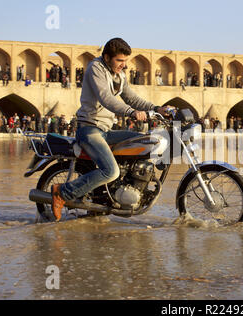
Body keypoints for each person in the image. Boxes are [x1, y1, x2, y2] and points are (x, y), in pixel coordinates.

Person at [51, 38, 172, 222]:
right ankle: (62, 192)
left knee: (144, 140)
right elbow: (106, 97)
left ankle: (115, 194)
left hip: (106, 131)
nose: (123, 65)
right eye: (119, 61)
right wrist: (131, 112)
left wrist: (156, 108)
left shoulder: (119, 75)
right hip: (89, 129)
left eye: (125, 61)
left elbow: (132, 98)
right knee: (110, 171)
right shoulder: (96, 68)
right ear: (107, 57)